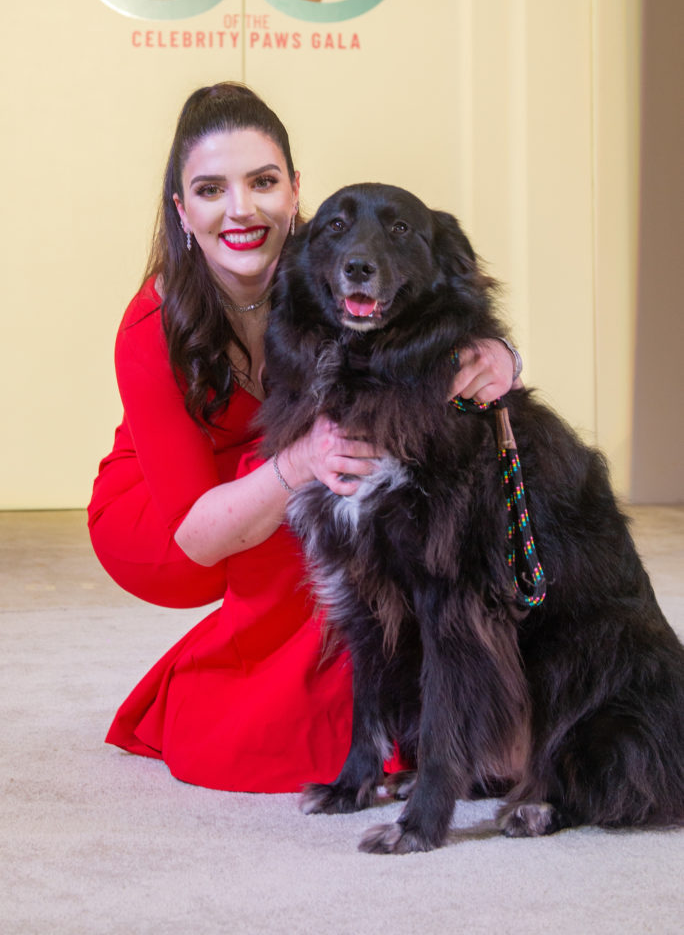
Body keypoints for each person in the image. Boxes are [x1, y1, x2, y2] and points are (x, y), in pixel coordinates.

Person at [87, 82, 521, 793]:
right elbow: (196, 533)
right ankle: (297, 725)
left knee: (377, 505)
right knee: (335, 512)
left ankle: (414, 716)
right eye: (209, 189)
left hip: (282, 460)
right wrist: (300, 463)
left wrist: (500, 357)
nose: (241, 210)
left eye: (262, 182)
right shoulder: (150, 323)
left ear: (295, 190)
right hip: (169, 512)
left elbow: (440, 313)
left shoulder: (336, 253)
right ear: (181, 211)